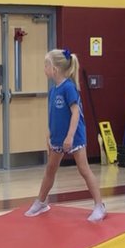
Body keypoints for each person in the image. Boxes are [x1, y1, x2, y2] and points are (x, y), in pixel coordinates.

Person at [25, 48, 106, 222]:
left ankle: (99, 205)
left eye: (46, 65)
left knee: (84, 170)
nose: (44, 68)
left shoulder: (69, 88)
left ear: (54, 69)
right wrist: (49, 133)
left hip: (74, 137)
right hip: (57, 137)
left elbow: (75, 113)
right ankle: (41, 202)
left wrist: (70, 137)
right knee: (50, 169)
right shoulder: (54, 90)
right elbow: (53, 114)